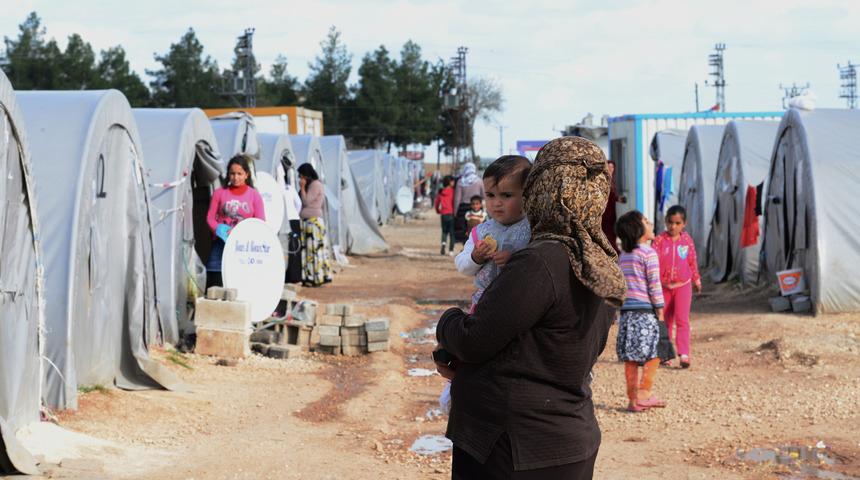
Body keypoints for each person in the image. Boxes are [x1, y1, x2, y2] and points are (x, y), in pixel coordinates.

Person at [436, 137, 626, 479]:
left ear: (543, 189)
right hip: (564, 440)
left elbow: (474, 338)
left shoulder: (540, 260)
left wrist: (447, 321)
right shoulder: (599, 260)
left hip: (513, 447)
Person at [615, 210, 667, 413]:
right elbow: (654, 285)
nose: (651, 223)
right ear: (638, 229)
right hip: (645, 312)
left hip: (627, 313)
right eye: (646, 221)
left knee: (631, 357)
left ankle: (632, 399)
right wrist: (660, 309)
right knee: (655, 352)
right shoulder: (648, 253)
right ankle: (644, 394)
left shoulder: (624, 255)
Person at [205, 154, 266, 289]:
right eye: (232, 173)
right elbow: (210, 218)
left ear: (246, 175)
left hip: (244, 246)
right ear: (228, 174)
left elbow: (260, 221)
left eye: (239, 173)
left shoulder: (254, 195)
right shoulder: (219, 193)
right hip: (221, 243)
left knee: (240, 281)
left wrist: (241, 232)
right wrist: (221, 230)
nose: (236, 177)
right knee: (214, 281)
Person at [652, 205, 701, 368]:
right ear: (666, 222)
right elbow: (653, 262)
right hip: (664, 287)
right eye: (670, 223)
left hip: (683, 286)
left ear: (684, 224)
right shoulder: (659, 241)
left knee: (682, 319)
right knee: (665, 320)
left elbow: (692, 261)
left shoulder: (686, 241)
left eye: (677, 223)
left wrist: (696, 280)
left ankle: (684, 353)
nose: (673, 226)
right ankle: (665, 354)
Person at [298, 163, 332, 287]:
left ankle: (317, 277)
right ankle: (310, 276)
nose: (300, 179)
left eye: (301, 176)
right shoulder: (313, 185)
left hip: (313, 222)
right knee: (309, 252)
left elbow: (306, 201)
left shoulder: (315, 185)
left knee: (314, 251)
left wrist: (302, 188)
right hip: (308, 222)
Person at [453, 162, 485, 244]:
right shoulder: (479, 181)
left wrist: (455, 212)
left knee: (465, 232)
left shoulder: (461, 181)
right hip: (477, 208)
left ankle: (466, 247)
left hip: (463, 209)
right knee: (477, 231)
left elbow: (457, 199)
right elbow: (484, 196)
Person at [283, 163, 304, 284]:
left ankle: (290, 276)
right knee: (294, 248)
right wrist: (295, 214)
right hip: (293, 219)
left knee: (288, 248)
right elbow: (299, 204)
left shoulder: (283, 188)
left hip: (287, 220)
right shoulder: (289, 188)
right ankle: (295, 276)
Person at [601, 160, 626, 252]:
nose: (610, 169)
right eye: (608, 167)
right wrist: (617, 198)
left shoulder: (612, 180)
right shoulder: (603, 180)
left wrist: (618, 198)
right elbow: (609, 195)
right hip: (605, 210)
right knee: (607, 230)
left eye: (612, 167)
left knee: (611, 229)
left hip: (611, 210)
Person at [434, 175, 456, 256]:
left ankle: (443, 244)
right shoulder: (453, 191)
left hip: (443, 214)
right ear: (449, 182)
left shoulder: (441, 192)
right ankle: (451, 250)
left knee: (444, 231)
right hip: (451, 214)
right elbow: (454, 202)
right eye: (452, 181)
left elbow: (436, 203)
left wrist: (438, 210)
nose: (454, 182)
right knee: (452, 233)